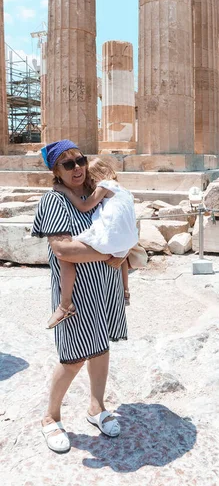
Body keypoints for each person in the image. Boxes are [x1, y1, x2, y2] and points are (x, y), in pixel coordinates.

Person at [32, 140, 127, 454]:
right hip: (76, 294)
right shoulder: (53, 200)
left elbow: (122, 227)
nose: (77, 168)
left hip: (105, 285)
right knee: (73, 358)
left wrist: (123, 250)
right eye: (68, 164)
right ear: (56, 172)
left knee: (100, 349)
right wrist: (110, 252)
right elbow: (63, 248)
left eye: (80, 160)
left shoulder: (94, 193)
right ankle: (50, 416)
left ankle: (96, 408)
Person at [47, 157, 138, 329]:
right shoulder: (124, 191)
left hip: (112, 240)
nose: (88, 182)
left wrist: (65, 191)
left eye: (89, 178)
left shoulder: (105, 185)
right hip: (127, 239)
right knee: (121, 258)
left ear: (97, 175)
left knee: (65, 256)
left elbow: (84, 206)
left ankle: (65, 305)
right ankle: (125, 291)